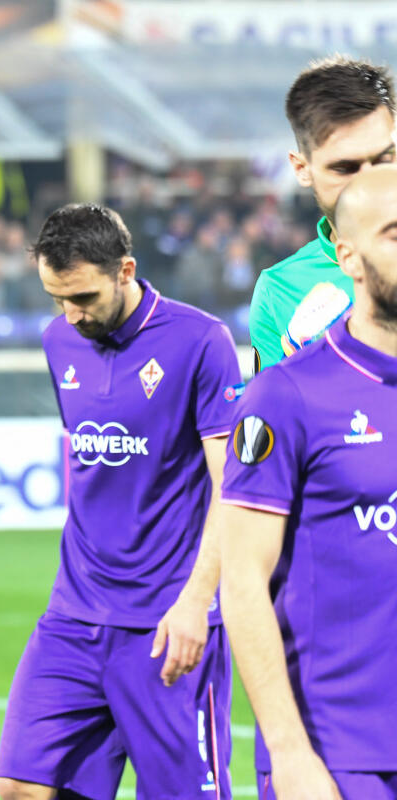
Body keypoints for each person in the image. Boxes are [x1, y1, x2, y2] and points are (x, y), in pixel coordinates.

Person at [0, 204, 239, 800]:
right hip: (74, 613)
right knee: (22, 785)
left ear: (125, 270)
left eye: (82, 297)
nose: (70, 315)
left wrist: (196, 604)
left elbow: (232, 489)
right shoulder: (60, 341)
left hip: (166, 618)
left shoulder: (200, 341)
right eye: (56, 298)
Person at [221, 165, 397, 800]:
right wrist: (290, 755)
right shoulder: (286, 393)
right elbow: (242, 581)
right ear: (346, 256)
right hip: (341, 759)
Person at [249, 56, 395, 371]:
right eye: (346, 167)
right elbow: (272, 414)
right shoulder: (278, 291)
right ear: (302, 169)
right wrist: (301, 365)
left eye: (385, 159)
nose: (368, 182)